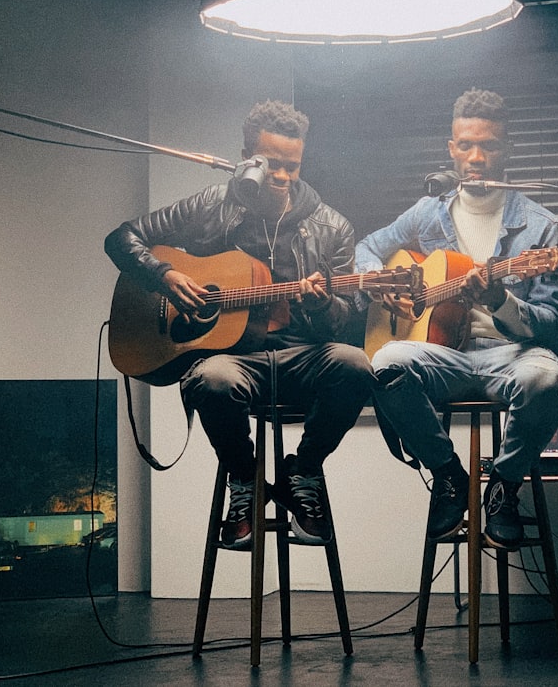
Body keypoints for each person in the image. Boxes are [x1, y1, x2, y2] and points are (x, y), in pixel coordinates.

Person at [105, 100, 374, 550]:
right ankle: (244, 480)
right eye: (272, 165)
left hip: (301, 358)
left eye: (293, 166)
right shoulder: (212, 204)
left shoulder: (332, 227)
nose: (283, 177)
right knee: (210, 379)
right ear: (249, 156)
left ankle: (302, 473)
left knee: (356, 366)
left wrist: (321, 304)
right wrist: (164, 275)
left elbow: (347, 323)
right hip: (233, 361)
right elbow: (121, 238)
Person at [355, 88, 558, 550]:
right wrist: (382, 284)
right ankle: (449, 475)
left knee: (548, 377)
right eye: (465, 145)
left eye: (488, 145)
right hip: (443, 355)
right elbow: (366, 249)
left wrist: (500, 302)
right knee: (384, 362)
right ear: (451, 148)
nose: (476, 157)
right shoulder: (426, 214)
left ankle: (504, 486)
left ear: (506, 149)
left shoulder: (541, 227)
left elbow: (551, 322)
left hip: (510, 355)